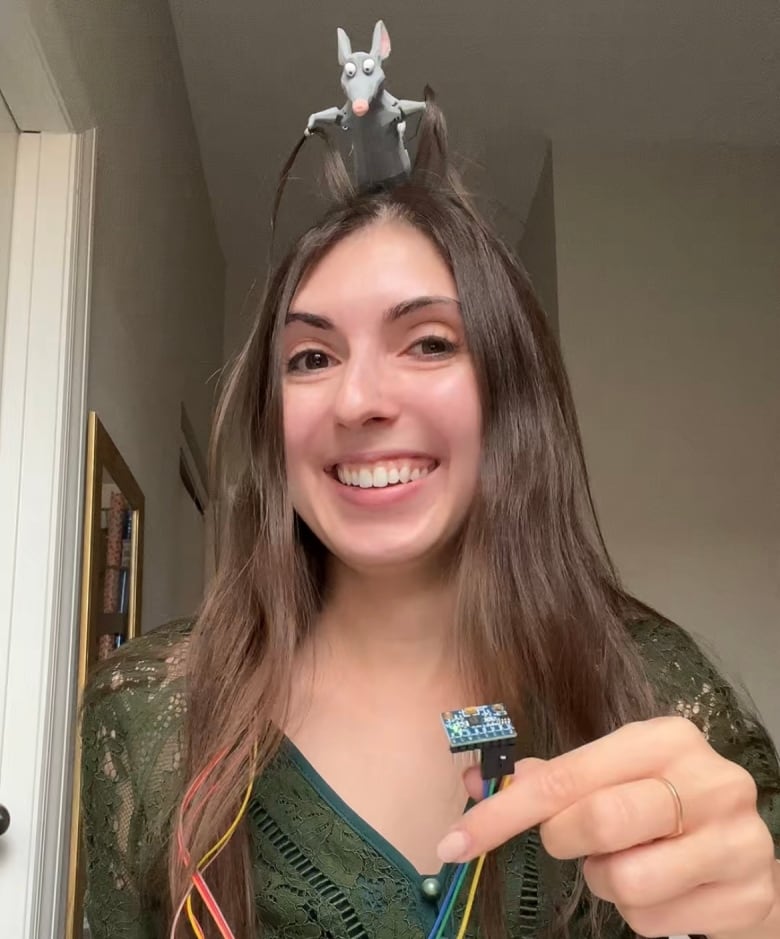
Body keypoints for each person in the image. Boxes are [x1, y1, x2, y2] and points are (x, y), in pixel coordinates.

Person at [79, 99, 780, 939]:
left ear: (507, 396)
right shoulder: (147, 709)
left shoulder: (660, 692)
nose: (361, 400)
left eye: (430, 342)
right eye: (311, 356)